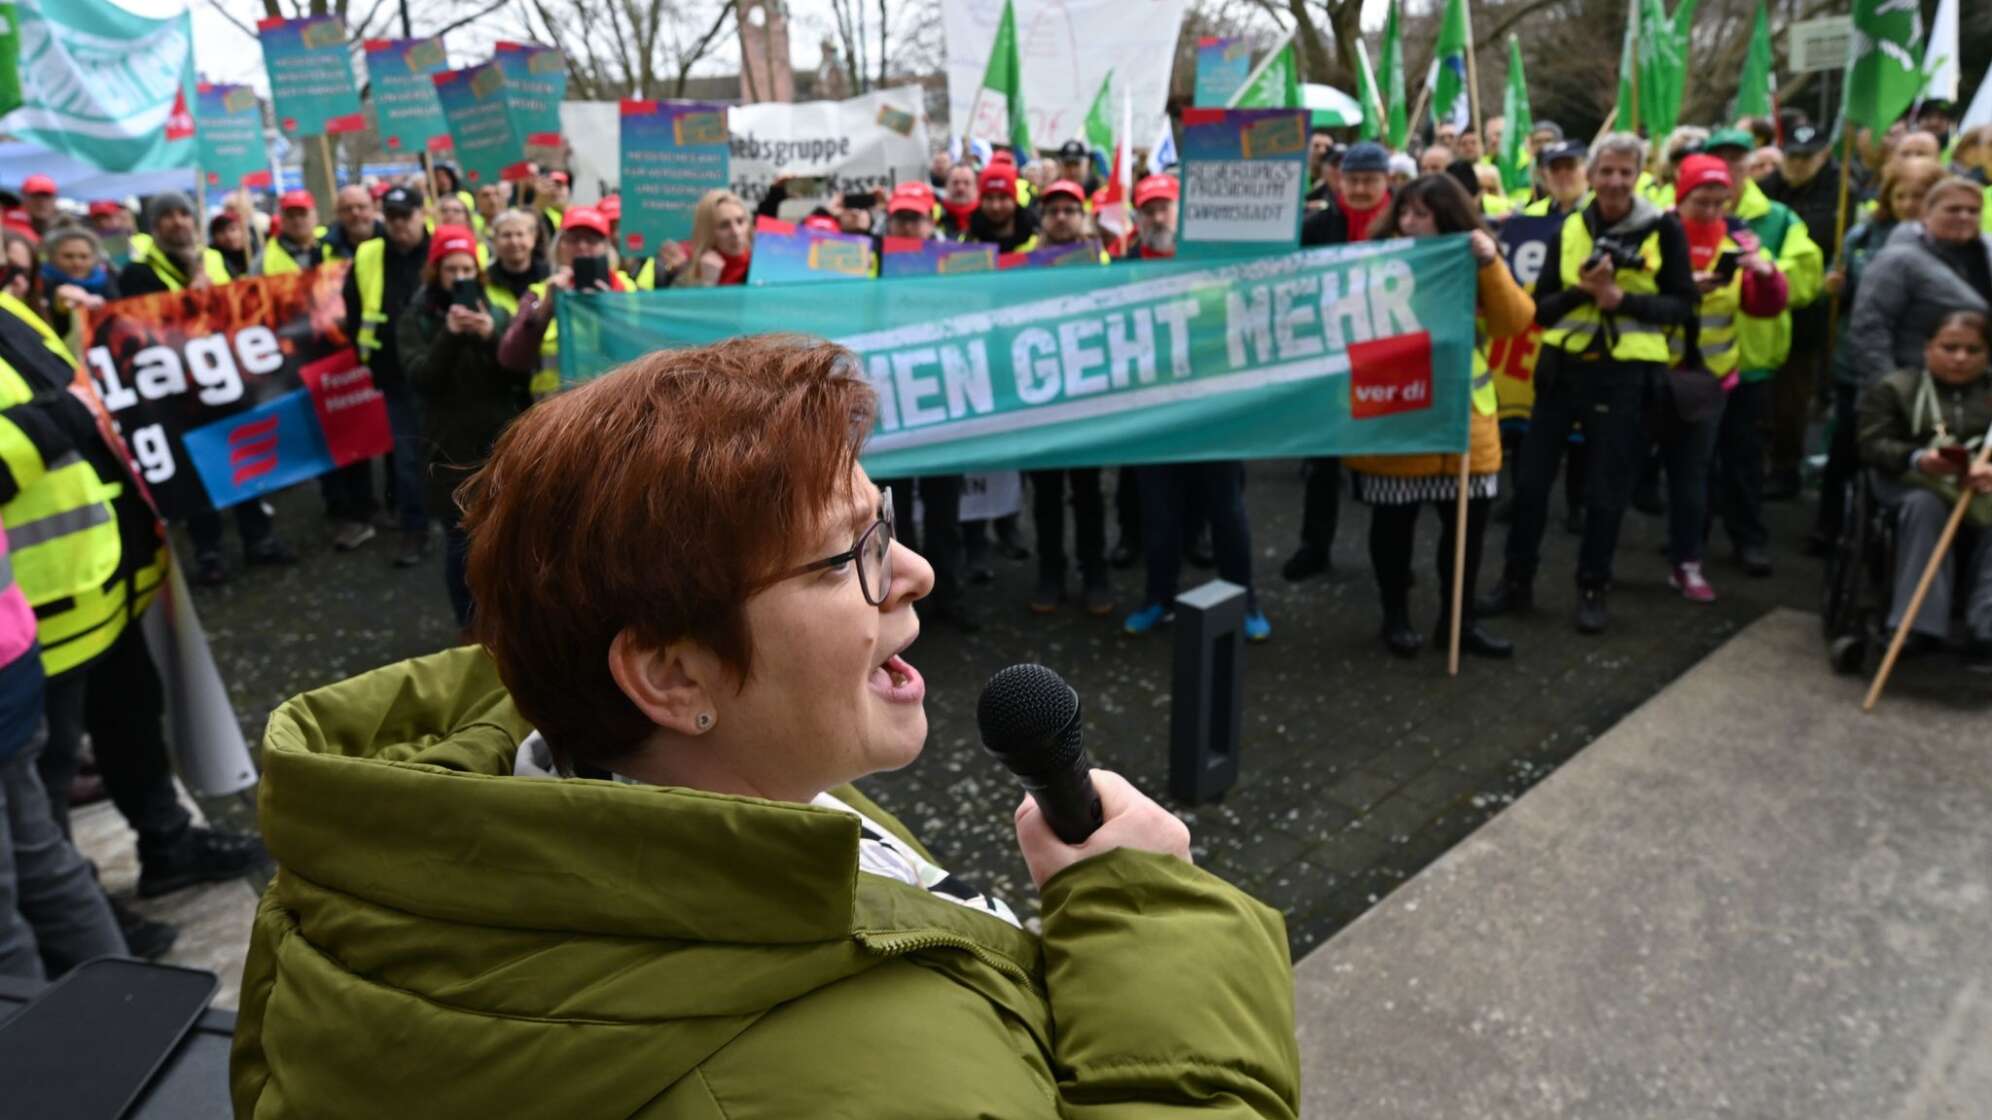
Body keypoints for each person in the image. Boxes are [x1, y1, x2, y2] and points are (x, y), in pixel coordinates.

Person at [230, 335, 1302, 1116]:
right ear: (670, 671)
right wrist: (1149, 916)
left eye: (889, 526)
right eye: (851, 556)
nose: (916, 571)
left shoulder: (636, 797)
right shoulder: (838, 1081)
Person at [0, 246, 259, 957]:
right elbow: (60, 417)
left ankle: (166, 846)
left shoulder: (12, 310)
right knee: (38, 799)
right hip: (39, 614)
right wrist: (63, 417)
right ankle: (73, 929)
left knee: (132, 725)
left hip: (100, 587)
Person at [1478, 133, 1697, 634]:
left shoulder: (1664, 229)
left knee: (1606, 490)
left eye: (1625, 171)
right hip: (1564, 368)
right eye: (1607, 171)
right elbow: (1541, 309)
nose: (1615, 181)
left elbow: (1683, 305)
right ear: (1592, 176)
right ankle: (1515, 581)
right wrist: (1584, 291)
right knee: (1531, 483)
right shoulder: (1570, 227)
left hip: (1628, 374)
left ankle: (1593, 586)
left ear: (1639, 174)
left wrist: (1623, 300)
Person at [1346, 175, 1533, 658]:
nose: (1409, 222)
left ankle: (1459, 623)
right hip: (1399, 417)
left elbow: (1514, 321)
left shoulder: (1476, 258)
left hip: (1465, 422)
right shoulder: (1374, 264)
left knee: (1465, 537)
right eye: (1404, 211)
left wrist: (1489, 263)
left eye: (1422, 213)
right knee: (1393, 529)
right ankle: (1395, 617)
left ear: (1449, 218)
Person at [1118, 174, 1270, 642]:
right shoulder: (1122, 267)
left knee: (1227, 511)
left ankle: (1244, 600)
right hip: (1153, 415)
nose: (1158, 217)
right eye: (1149, 210)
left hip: (1212, 413)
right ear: (1138, 218)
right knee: (1159, 516)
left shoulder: (1209, 264)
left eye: (1165, 208)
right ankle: (1157, 598)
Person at [1663, 155, 1788, 604]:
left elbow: (1766, 305)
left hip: (1712, 382)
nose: (1713, 211)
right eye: (1702, 201)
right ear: (1682, 196)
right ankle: (1597, 569)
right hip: (1651, 376)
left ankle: (1687, 563)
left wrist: (1766, 274)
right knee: (1624, 474)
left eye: (1720, 201)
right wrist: (1679, 289)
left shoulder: (1740, 237)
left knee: (1695, 476)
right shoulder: (1660, 233)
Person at [1813, 157, 1950, 553]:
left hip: (1924, 365)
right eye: (1901, 195)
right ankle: (1830, 523)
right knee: (1848, 445)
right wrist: (1835, 287)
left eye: (1920, 196)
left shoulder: (1949, 243)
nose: (1910, 203)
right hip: (1861, 364)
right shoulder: (1863, 236)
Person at [1703, 127, 1822, 571]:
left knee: (1745, 457)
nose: (1728, 169)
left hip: (1751, 361)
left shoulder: (1778, 218)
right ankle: (1690, 539)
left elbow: (1807, 277)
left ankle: (1747, 538)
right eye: (1719, 158)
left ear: (1750, 165)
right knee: (1695, 460)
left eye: (1737, 160)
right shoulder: (1684, 212)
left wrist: (1761, 270)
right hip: (1697, 360)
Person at [397, 226, 521, 630]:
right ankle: (469, 628)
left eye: (468, 267)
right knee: (459, 545)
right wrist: (450, 335)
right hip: (447, 449)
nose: (461, 277)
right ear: (437, 272)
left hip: (498, 443)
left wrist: (492, 336)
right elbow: (421, 377)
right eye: (452, 269)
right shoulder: (416, 319)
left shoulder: (496, 312)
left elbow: (517, 373)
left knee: (505, 540)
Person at [1284, 141, 1395, 584]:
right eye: (1353, 180)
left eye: (1370, 180)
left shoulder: (1406, 227)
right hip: (1328, 358)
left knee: (1387, 469)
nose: (1361, 189)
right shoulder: (1318, 226)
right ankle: (1315, 546)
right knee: (1322, 463)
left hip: (1386, 360)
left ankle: (1390, 560)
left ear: (1387, 181)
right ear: (1339, 181)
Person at [1856, 311, 1992, 666]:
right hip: (1909, 483)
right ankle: (1917, 626)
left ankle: (1986, 627)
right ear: (1928, 348)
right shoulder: (1896, 388)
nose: (1960, 358)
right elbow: (1872, 444)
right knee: (1925, 505)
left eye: (1972, 350)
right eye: (1950, 348)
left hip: (1980, 489)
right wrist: (1918, 458)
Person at [873, 184, 976, 634]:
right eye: (902, 219)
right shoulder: (872, 271)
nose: (910, 227)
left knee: (944, 510)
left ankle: (949, 596)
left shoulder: (952, 270)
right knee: (893, 515)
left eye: (916, 219)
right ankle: (900, 598)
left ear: (931, 223)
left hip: (941, 408)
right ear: (890, 224)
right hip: (891, 411)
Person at [1025, 179, 1114, 616]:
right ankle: (1051, 573)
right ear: (1043, 218)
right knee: (1045, 495)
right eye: (1053, 210)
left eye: (1069, 209)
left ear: (1082, 216)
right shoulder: (1022, 263)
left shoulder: (1102, 261)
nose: (1061, 217)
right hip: (1039, 400)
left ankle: (1094, 572)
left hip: (1085, 399)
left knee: (1087, 492)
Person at [338, 185, 432, 565]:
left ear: (421, 215)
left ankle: (468, 528)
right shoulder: (368, 254)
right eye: (391, 217)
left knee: (455, 453)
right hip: (396, 374)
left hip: (443, 373)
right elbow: (354, 309)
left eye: (405, 216)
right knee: (407, 458)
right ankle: (415, 529)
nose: (398, 225)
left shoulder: (442, 248)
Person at [1760, 124, 1845, 501]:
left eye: (1805, 158)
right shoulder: (1765, 190)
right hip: (1762, 306)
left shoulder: (1840, 194)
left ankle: (1785, 465)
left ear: (1823, 156)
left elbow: (1824, 236)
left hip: (1808, 311)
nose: (1796, 164)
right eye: (1791, 156)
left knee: (1792, 395)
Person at [1848, 178, 1991, 386]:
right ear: (1927, 213)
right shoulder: (1897, 260)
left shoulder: (1986, 254)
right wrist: (1889, 390)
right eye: (1953, 209)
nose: (1964, 216)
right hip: (1915, 387)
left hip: (1979, 395)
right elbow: (1870, 328)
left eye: (1973, 211)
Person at [499, 206, 634, 400]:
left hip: (615, 406)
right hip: (556, 412)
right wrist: (545, 310)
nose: (582, 247)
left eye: (592, 239)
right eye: (573, 239)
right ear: (559, 247)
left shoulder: (628, 290)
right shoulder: (539, 293)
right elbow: (512, 359)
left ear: (606, 247)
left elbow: (643, 349)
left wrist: (608, 309)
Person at [39, 226, 117, 343]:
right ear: (52, 257)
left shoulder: (109, 281)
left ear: (94, 258)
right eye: (68, 256)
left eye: (84, 256)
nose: (77, 262)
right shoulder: (41, 285)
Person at [481, 208, 548, 315]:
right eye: (506, 235)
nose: (514, 241)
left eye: (520, 234)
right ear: (494, 241)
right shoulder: (483, 281)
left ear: (532, 239)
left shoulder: (550, 279)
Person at [968, 163, 1039, 253]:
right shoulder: (967, 243)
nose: (995, 206)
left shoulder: (1039, 244)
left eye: (1003, 198)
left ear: (1014, 200)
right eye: (989, 198)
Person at [255, 190, 329, 275]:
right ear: (282, 220)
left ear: (316, 216)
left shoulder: (335, 240)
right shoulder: (264, 258)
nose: (297, 220)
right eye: (290, 215)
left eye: (302, 214)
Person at [324, 184, 383, 261]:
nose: (355, 213)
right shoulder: (326, 247)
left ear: (373, 209)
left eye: (361, 207)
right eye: (348, 209)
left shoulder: (391, 241)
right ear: (338, 214)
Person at [938, 164, 979, 240]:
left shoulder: (985, 217)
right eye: (955, 183)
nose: (960, 188)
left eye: (966, 183)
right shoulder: (935, 216)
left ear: (976, 187)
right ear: (946, 186)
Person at [208, 211, 250, 278]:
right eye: (221, 232)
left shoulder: (255, 252)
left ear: (243, 231)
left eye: (233, 229)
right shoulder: (211, 260)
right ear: (214, 237)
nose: (229, 236)